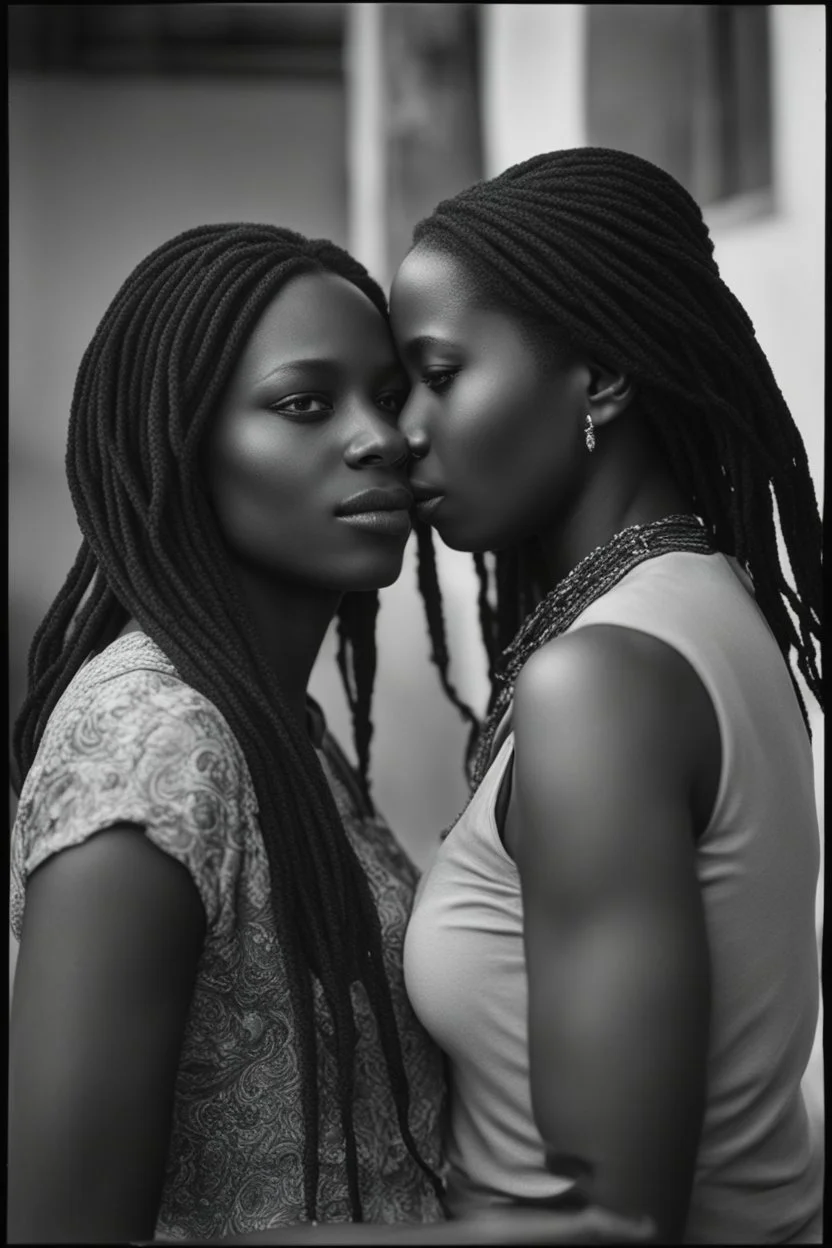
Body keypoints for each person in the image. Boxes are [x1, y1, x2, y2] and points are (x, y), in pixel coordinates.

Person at [8, 222, 654, 1248]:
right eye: (305, 404)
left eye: (390, 397)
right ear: (178, 447)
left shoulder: (276, 722)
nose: (383, 439)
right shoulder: (151, 740)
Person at [392, 147, 824, 1244]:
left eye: (440, 377)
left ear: (601, 377)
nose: (403, 432)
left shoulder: (599, 680)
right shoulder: (700, 605)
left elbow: (607, 1226)